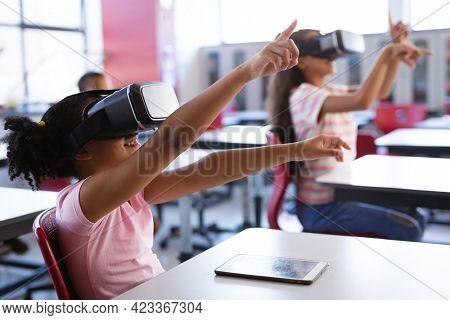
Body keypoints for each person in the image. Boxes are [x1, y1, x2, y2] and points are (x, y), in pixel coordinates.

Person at [2, 20, 350, 299]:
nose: (135, 138)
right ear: (83, 151)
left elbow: (206, 169)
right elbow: (171, 142)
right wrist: (248, 70)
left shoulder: (128, 193)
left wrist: (297, 149)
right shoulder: (83, 202)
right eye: (121, 135)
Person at [266, 19, 431, 241]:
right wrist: (386, 53)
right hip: (321, 209)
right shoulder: (302, 95)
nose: (332, 55)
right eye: (323, 51)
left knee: (417, 214)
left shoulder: (328, 89)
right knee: (408, 226)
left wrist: (393, 53)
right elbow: (362, 101)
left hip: (342, 195)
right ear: (302, 61)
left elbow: (377, 93)